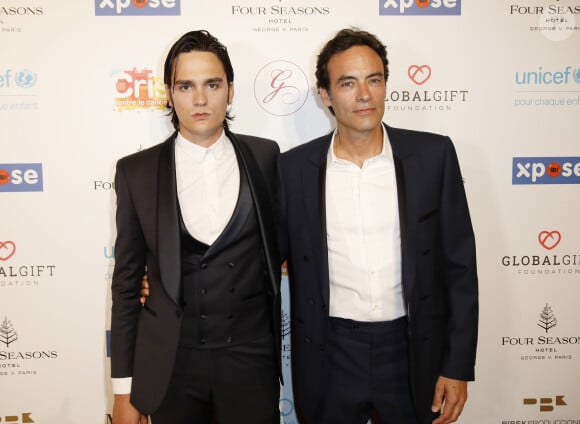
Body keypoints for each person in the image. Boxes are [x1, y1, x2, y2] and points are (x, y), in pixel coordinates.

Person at [277, 28, 478, 424]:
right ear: (325, 95)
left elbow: (460, 269)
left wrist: (456, 365)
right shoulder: (292, 170)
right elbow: (260, 260)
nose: (364, 95)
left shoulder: (433, 156)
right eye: (347, 83)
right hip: (329, 354)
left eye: (374, 80)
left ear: (385, 84)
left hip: (411, 351)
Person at [110, 30, 282, 424]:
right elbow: (125, 286)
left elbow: (287, 245)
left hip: (251, 362)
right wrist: (123, 389)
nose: (200, 99)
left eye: (212, 84)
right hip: (171, 367)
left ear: (231, 90)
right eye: (186, 86)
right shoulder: (135, 172)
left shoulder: (266, 157)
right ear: (169, 94)